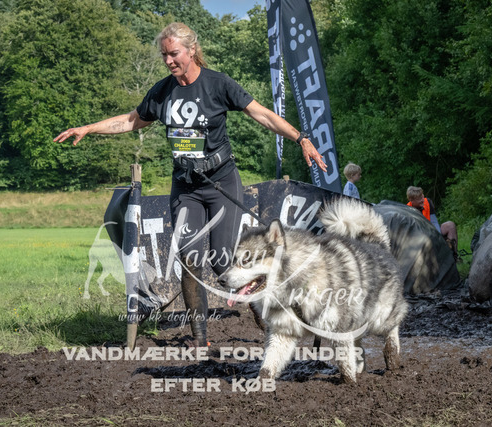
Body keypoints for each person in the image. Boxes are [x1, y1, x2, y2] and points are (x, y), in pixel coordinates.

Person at [55, 22, 327, 347]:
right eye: (164, 55)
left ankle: (262, 309)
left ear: (192, 50)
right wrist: (89, 128)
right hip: (185, 188)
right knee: (190, 260)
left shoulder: (217, 84)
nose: (168, 61)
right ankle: (200, 340)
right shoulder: (162, 91)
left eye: (174, 53)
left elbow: (262, 114)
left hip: (221, 182)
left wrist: (301, 138)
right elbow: (131, 120)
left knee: (223, 262)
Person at [406, 186, 460, 262]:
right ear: (411, 200)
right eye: (419, 199)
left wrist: (438, 237)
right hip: (421, 235)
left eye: (422, 196)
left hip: (433, 229)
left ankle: (453, 256)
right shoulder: (407, 210)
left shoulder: (427, 202)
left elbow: (434, 221)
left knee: (450, 225)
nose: (422, 200)